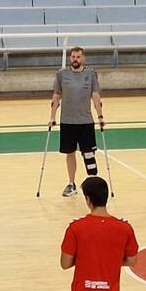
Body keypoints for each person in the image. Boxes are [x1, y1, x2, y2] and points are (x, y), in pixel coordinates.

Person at [49, 47, 105, 198]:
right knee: (70, 153)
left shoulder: (91, 74)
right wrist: (52, 117)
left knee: (88, 153)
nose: (75, 59)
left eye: (78, 57)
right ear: (70, 58)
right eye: (73, 57)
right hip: (67, 121)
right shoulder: (61, 74)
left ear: (83, 58)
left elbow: (95, 96)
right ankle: (71, 183)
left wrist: (100, 116)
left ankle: (92, 182)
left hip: (85, 121)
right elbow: (56, 96)